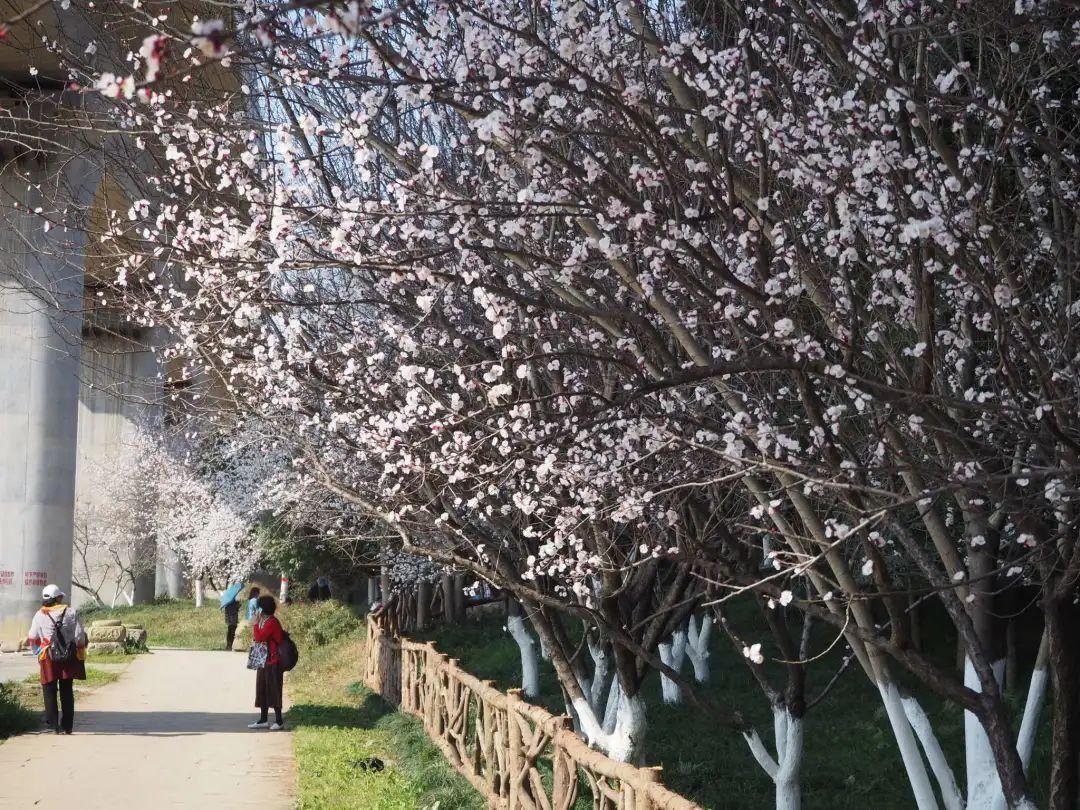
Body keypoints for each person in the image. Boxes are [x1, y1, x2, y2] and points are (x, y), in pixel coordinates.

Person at [26, 584, 87, 734]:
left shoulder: (40, 614)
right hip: (69, 656)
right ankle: (67, 726)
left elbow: (32, 636)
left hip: (48, 656)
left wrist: (37, 652)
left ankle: (54, 726)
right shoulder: (71, 612)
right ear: (58, 598)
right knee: (66, 690)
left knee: (49, 689)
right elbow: (79, 637)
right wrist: (80, 652)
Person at [249, 595, 286, 730]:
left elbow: (259, 638)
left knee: (274, 690)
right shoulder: (266, 621)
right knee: (262, 689)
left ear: (262, 609)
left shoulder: (271, 622)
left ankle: (279, 721)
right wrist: (257, 623)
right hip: (264, 661)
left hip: (273, 661)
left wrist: (255, 624)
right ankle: (263, 720)